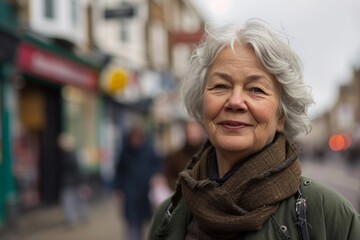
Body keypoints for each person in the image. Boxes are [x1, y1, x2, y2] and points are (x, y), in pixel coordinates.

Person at [148, 18, 360, 239]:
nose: (235, 101)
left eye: (256, 89)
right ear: (202, 105)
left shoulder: (328, 214)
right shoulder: (169, 215)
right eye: (221, 85)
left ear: (281, 115)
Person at [114, 125, 162, 240]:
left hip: (146, 191)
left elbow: (158, 165)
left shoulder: (149, 150)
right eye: (133, 138)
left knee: (145, 222)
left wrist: (156, 177)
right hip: (130, 191)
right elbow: (119, 171)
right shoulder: (125, 152)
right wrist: (118, 188)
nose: (136, 141)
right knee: (132, 223)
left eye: (138, 138)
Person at [58, 133, 89, 228]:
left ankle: (72, 219)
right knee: (77, 200)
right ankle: (81, 215)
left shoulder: (69, 156)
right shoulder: (71, 155)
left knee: (70, 201)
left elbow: (76, 170)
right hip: (73, 182)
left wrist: (81, 182)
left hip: (70, 182)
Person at [164, 120, 204, 191]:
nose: (192, 135)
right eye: (190, 132)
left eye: (195, 132)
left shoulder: (209, 154)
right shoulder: (175, 157)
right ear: (185, 133)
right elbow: (168, 176)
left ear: (200, 132)